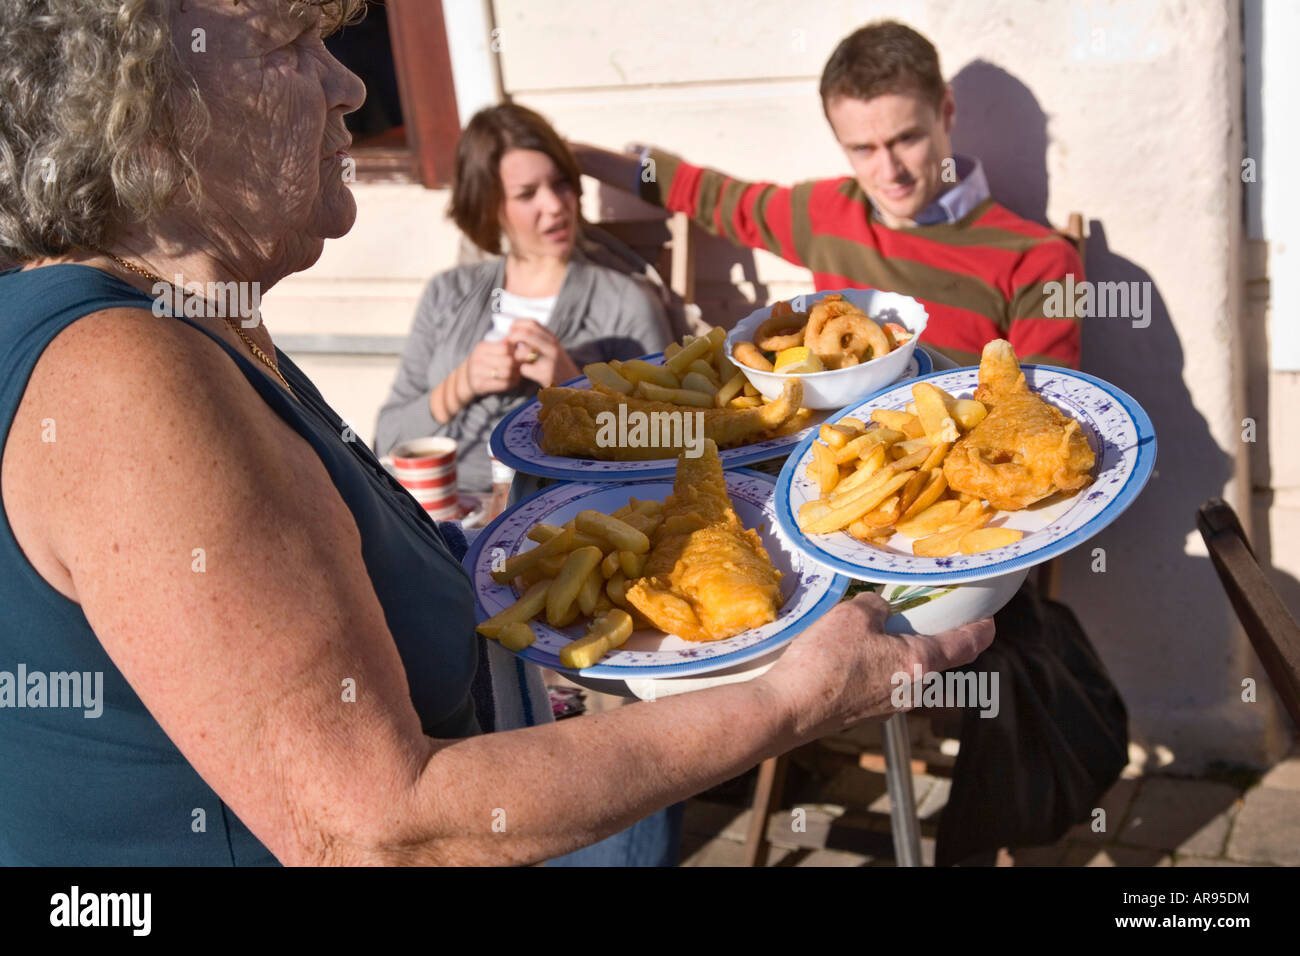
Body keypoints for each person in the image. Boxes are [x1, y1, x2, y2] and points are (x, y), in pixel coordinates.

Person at [0, 0, 993, 867]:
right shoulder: (123, 374)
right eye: (293, 41)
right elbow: (377, 829)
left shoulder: (185, 326)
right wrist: (791, 701)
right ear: (139, 119)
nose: (351, 84)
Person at [570, 19, 1083, 370]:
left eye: (906, 139)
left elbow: (1037, 418)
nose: (889, 171)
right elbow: (704, 193)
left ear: (945, 113)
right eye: (862, 148)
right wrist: (573, 157)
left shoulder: (1040, 260)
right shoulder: (825, 212)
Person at [373, 104, 673, 493]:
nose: (554, 205)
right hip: (439, 513)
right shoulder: (447, 294)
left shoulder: (626, 304)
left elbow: (669, 441)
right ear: (489, 206)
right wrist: (460, 384)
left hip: (556, 521)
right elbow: (385, 439)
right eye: (527, 193)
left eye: (561, 182)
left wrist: (575, 390)